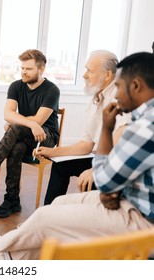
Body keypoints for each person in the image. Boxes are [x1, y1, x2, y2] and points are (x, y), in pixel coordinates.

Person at [0, 51, 154, 260]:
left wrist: (104, 143)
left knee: (44, 216)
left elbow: (107, 180)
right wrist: (53, 152)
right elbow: (89, 147)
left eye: (119, 86)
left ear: (134, 85)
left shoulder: (146, 126)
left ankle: (1, 246)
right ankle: (11, 250)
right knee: (54, 201)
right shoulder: (133, 114)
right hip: (128, 198)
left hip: (140, 217)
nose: (83, 75)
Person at [0, 49, 60, 217]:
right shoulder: (16, 86)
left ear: (41, 69)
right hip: (25, 134)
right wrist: (28, 122)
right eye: (22, 68)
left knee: (14, 128)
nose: (23, 72)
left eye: (28, 69)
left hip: (45, 136)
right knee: (16, 149)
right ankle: (12, 200)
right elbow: (7, 114)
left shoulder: (52, 90)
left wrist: (18, 120)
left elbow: (38, 121)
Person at [35, 50, 130, 205]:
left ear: (107, 75)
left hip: (115, 161)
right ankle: (49, 211)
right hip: (99, 156)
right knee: (60, 165)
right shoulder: (96, 97)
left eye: (90, 71)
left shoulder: (120, 95)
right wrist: (52, 152)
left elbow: (121, 140)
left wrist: (96, 169)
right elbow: (86, 145)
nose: (84, 75)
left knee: (92, 181)